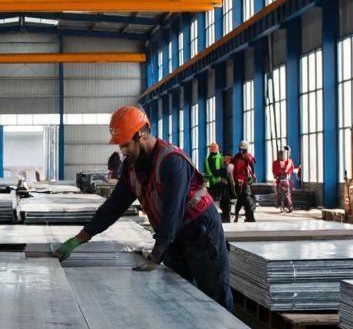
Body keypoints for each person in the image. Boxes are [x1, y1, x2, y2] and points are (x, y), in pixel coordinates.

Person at [56, 106, 232, 311]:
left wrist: (156, 256)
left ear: (142, 135)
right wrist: (82, 236)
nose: (122, 151)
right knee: (179, 297)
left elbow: (171, 212)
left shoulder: (171, 161)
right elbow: (113, 207)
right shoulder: (132, 169)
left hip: (201, 233)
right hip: (172, 237)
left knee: (214, 298)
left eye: (126, 145)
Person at [229, 141, 257, 223]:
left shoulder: (248, 157)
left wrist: (253, 175)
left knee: (246, 199)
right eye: (240, 149)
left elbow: (252, 166)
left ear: (246, 149)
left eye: (243, 150)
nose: (241, 151)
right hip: (238, 182)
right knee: (241, 199)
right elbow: (232, 166)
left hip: (245, 182)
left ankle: (249, 217)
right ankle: (238, 217)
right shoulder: (236, 157)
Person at [203, 142, 230, 222]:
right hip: (221, 184)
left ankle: (211, 219)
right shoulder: (221, 158)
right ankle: (225, 218)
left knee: (210, 203)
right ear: (217, 149)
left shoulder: (206, 159)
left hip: (211, 185)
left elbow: (207, 173)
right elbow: (225, 171)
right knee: (225, 201)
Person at [272, 148, 301, 213]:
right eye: (280, 155)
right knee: (281, 195)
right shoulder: (276, 163)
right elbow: (275, 173)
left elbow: (289, 169)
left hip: (286, 180)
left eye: (283, 155)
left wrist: (284, 172)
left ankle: (288, 206)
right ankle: (283, 206)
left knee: (286, 194)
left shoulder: (288, 161)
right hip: (280, 180)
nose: (281, 156)